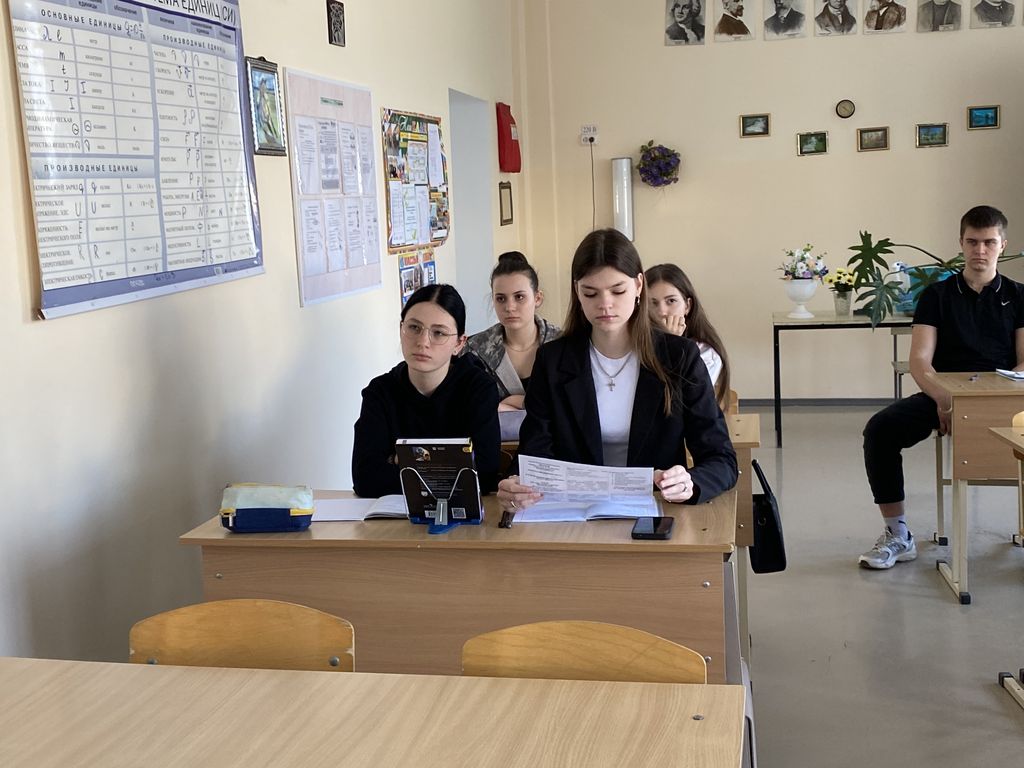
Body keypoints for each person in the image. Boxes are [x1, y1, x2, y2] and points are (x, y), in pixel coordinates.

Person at [496, 229, 737, 514]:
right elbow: (533, 453)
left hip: (656, 510)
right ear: (577, 291)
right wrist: (515, 483)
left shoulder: (679, 356)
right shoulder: (553, 360)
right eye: (591, 293)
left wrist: (689, 482)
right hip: (572, 514)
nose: (605, 304)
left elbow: (721, 459)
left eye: (618, 291)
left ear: (638, 285)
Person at [859, 206, 1024, 569]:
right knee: (880, 430)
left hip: (1003, 399)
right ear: (961, 243)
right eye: (972, 242)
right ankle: (898, 534)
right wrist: (945, 400)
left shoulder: (1019, 295)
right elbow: (920, 360)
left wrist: (990, 401)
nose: (980, 250)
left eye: (989, 242)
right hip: (944, 396)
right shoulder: (936, 295)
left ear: (1002, 244)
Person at [352, 284, 500, 498]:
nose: (422, 342)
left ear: (459, 343)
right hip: (393, 515)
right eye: (414, 328)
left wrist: (403, 461)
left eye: (438, 333)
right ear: (401, 329)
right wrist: (450, 466)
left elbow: (484, 476)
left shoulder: (478, 389)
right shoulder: (379, 392)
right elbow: (365, 479)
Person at [464, 252, 561, 413]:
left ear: (537, 298)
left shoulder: (562, 344)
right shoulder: (475, 350)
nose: (509, 307)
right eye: (501, 299)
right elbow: (470, 408)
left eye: (519, 297)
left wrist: (514, 403)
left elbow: (572, 403)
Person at [645, 263, 732, 408]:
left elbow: (679, 404)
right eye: (652, 303)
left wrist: (672, 345)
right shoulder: (632, 345)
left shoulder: (706, 354)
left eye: (671, 301)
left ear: (687, 306)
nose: (662, 312)